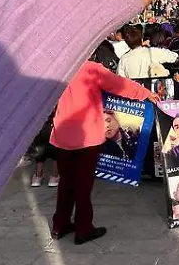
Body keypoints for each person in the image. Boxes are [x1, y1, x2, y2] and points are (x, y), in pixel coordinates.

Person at [49, 60, 156, 245]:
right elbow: (120, 85)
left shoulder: (57, 66)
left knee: (66, 183)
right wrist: (145, 93)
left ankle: (60, 225)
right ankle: (83, 229)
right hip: (86, 136)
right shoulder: (90, 68)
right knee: (83, 186)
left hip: (63, 133)